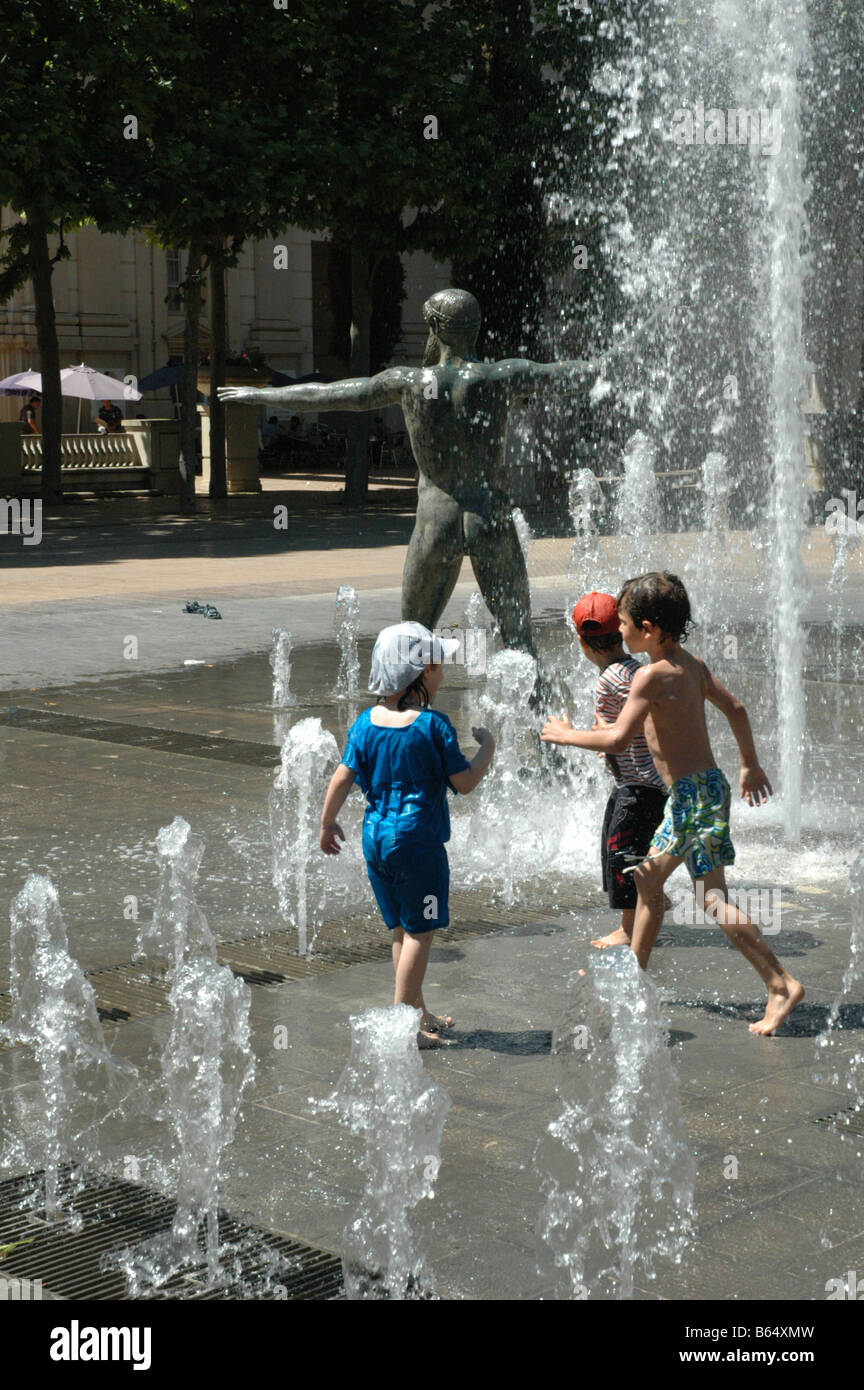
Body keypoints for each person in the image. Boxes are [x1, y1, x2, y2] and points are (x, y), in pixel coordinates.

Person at [541, 571, 804, 1036]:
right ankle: (633, 985)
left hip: (692, 798)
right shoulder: (691, 664)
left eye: (623, 624)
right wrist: (749, 766)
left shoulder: (649, 678)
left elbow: (618, 739)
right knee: (647, 879)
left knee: (710, 898)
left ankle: (780, 983)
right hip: (703, 791)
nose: (617, 633)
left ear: (648, 629)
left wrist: (565, 735)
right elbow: (737, 710)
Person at [319, 620, 495, 1048]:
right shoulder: (433, 726)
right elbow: (465, 782)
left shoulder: (364, 723)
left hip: (376, 841)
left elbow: (342, 778)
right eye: (437, 666)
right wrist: (489, 746)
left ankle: (417, 1012)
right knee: (422, 931)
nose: (442, 675)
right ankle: (405, 1026)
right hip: (418, 844)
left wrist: (327, 822)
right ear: (420, 675)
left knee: (402, 928)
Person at [569, 590, 670, 950]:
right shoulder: (634, 670)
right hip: (641, 783)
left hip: (640, 785)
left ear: (583, 642)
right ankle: (652, 901)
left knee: (622, 854)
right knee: (622, 849)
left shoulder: (609, 678)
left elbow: (617, 735)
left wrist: (586, 734)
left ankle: (630, 927)